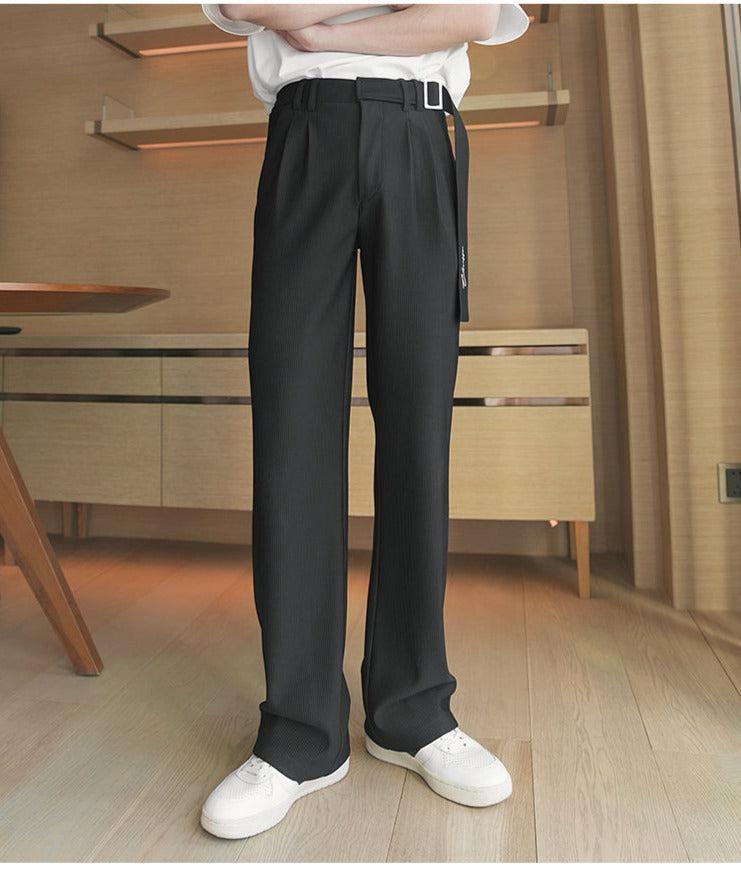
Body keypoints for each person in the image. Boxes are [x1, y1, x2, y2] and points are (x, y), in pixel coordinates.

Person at [199, 3, 529, 840]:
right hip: (304, 134)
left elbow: (471, 13)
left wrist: (324, 30)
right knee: (291, 432)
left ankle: (412, 709)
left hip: (419, 136)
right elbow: (247, 6)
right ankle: (299, 731)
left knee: (418, 429)